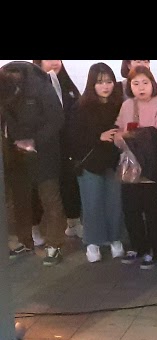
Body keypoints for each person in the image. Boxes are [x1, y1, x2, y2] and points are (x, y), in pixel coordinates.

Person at [0, 61, 66, 266]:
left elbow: (57, 118)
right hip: (15, 151)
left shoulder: (39, 84)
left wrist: (34, 140)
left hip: (44, 150)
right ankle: (24, 241)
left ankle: (54, 245)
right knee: (19, 199)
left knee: (50, 198)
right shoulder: (4, 82)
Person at [115, 65, 157, 269]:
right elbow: (119, 134)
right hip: (131, 165)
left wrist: (134, 136)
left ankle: (156, 249)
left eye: (145, 83)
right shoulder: (127, 106)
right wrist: (121, 137)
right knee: (130, 208)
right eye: (135, 83)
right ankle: (137, 246)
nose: (141, 88)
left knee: (152, 208)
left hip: (154, 165)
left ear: (152, 84)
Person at [67, 62, 125, 263]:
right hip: (90, 163)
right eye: (100, 82)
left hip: (113, 161)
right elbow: (73, 139)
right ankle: (93, 242)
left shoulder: (119, 104)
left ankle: (115, 239)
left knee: (114, 203)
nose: (106, 86)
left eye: (109, 81)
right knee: (92, 204)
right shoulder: (81, 107)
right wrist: (98, 137)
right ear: (92, 84)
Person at [32, 60, 83, 241]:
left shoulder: (68, 85)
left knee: (70, 183)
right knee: (43, 190)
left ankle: (74, 222)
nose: (54, 62)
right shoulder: (33, 86)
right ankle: (35, 228)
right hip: (43, 148)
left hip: (66, 147)